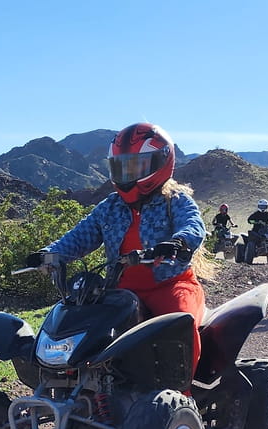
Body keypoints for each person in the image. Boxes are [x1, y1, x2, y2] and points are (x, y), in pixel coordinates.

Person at [41, 122, 206, 368]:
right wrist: (49, 254)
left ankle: (183, 394)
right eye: (121, 167)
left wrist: (177, 242)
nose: (126, 174)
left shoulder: (176, 200)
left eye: (135, 166)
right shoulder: (111, 206)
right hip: (119, 292)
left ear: (160, 163)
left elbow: (193, 225)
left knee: (181, 324)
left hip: (170, 285)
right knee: (82, 333)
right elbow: (80, 236)